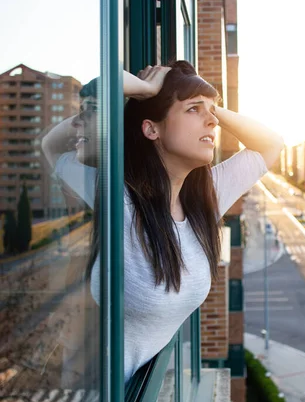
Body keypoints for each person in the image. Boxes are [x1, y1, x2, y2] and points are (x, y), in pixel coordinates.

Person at [42, 61, 283, 382]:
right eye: (193, 111)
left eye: (212, 114)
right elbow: (53, 146)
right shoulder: (118, 196)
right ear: (151, 128)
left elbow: (271, 143)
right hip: (91, 401)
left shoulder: (205, 197)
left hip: (130, 395)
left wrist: (207, 103)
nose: (211, 122)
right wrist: (144, 91)